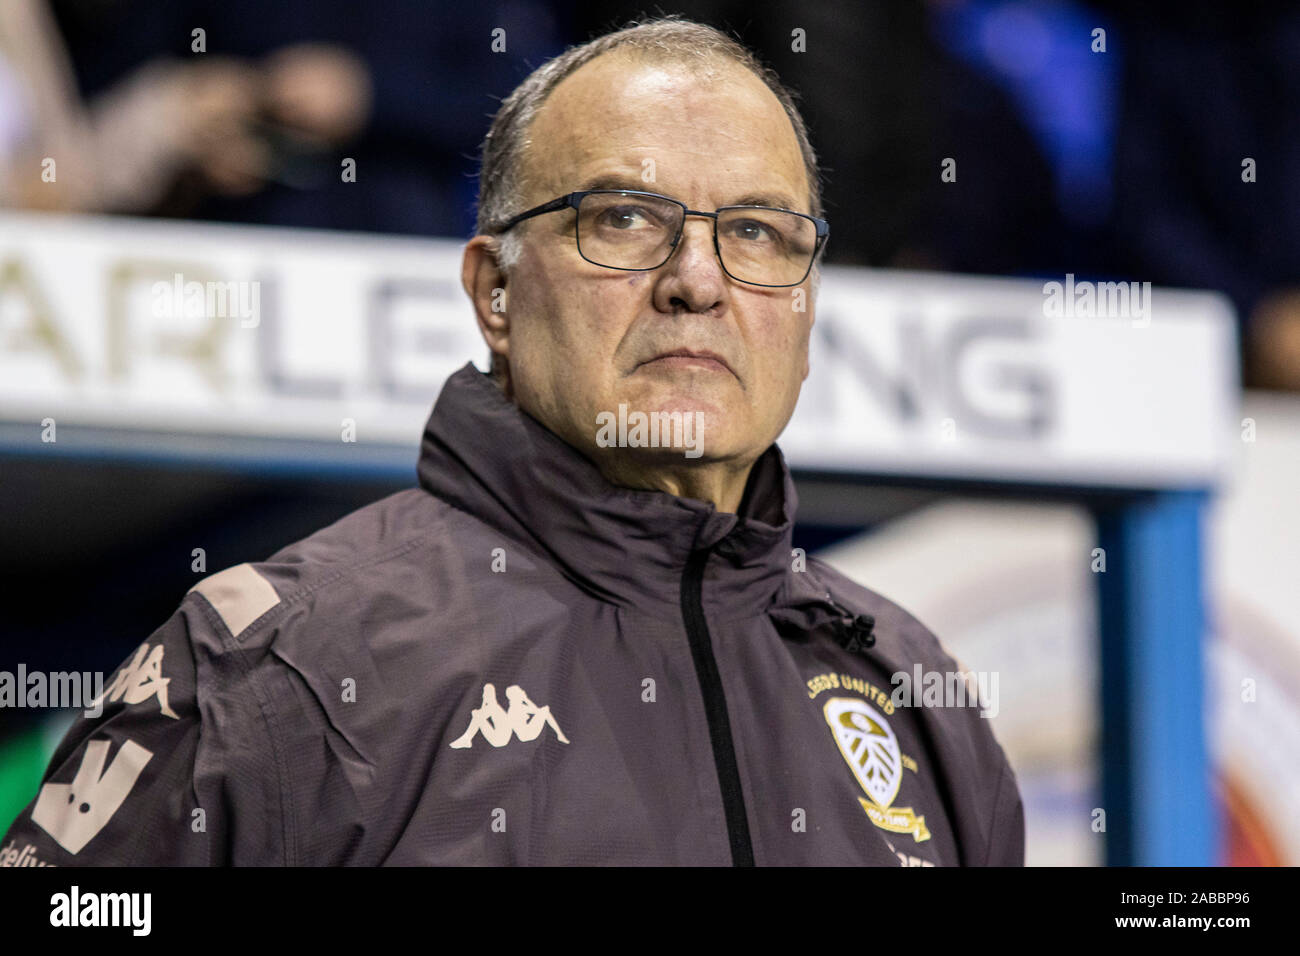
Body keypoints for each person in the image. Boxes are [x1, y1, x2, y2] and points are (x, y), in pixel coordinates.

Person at [0, 16, 1023, 866]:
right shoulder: (274, 667)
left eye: (757, 232)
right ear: (495, 290)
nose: (698, 280)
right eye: (625, 218)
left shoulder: (910, 686)